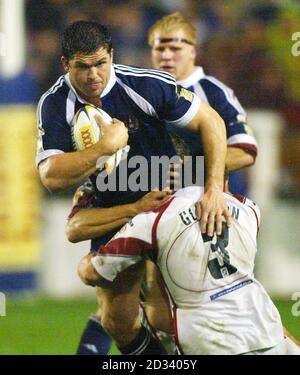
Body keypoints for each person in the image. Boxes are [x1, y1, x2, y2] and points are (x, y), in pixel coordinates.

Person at [37, 20, 231, 355]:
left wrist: (213, 188)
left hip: (166, 202)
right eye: (82, 67)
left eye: (100, 63)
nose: (94, 75)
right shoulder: (55, 104)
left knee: (184, 313)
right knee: (117, 320)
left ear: (111, 55)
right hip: (116, 206)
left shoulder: (145, 85)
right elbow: (51, 177)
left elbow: (211, 122)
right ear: (66, 64)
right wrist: (102, 149)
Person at [79, 183, 300, 355]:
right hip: (263, 328)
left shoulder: (152, 221)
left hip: (208, 340)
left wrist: (86, 262)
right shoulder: (249, 208)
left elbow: (93, 272)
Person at [148, 12, 258, 192]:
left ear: (192, 52)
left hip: (204, 202)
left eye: (174, 49)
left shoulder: (214, 93)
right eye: (160, 49)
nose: (166, 56)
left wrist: (191, 170)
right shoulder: (138, 91)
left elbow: (245, 152)